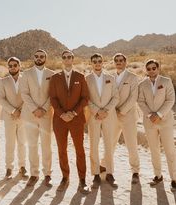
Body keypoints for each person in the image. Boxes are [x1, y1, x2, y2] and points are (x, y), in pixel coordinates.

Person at [49, 50, 89, 194]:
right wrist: (61, 114)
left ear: (73, 59)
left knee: (80, 149)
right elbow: (52, 98)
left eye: (69, 57)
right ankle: (65, 178)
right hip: (60, 120)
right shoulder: (55, 78)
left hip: (76, 119)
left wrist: (73, 113)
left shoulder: (80, 77)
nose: (67, 59)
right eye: (64, 57)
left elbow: (85, 98)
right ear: (62, 60)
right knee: (62, 149)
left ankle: (82, 180)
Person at [138, 59, 176, 189]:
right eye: (148, 69)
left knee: (170, 150)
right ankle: (158, 176)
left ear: (158, 69)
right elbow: (141, 101)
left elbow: (170, 99)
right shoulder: (142, 84)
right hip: (149, 122)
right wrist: (150, 115)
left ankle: (174, 178)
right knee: (154, 150)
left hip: (165, 121)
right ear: (146, 70)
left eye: (153, 68)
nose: (151, 71)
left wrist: (159, 114)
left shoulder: (166, 81)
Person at [101, 53, 140, 184]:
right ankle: (104, 166)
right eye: (116, 60)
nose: (118, 62)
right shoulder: (110, 77)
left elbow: (133, 97)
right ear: (114, 62)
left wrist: (121, 110)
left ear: (125, 62)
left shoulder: (133, 77)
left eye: (121, 60)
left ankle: (135, 172)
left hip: (128, 115)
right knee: (110, 143)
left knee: (131, 144)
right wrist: (111, 110)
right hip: (112, 116)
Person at [20, 49, 54, 187]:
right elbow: (24, 93)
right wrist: (35, 109)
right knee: (32, 145)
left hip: (46, 115)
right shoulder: (26, 74)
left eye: (42, 56)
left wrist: (44, 109)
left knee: (46, 146)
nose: (39, 58)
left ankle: (47, 174)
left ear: (45, 58)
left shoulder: (51, 74)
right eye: (37, 56)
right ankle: (34, 174)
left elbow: (53, 94)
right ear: (33, 57)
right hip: (30, 114)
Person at [86, 53, 118, 189]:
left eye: (99, 61)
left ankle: (110, 173)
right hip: (94, 117)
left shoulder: (110, 78)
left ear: (103, 62)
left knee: (109, 145)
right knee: (93, 144)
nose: (97, 63)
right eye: (94, 61)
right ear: (91, 63)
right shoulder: (86, 79)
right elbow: (85, 98)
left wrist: (106, 111)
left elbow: (116, 97)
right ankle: (96, 174)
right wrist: (97, 111)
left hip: (109, 116)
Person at [0, 57, 27, 179]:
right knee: (10, 143)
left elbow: (28, 96)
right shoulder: (3, 81)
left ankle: (22, 166)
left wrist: (20, 111)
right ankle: (9, 168)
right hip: (9, 116)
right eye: (10, 65)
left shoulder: (25, 79)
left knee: (22, 143)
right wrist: (13, 111)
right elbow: (1, 99)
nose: (12, 67)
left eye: (15, 65)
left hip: (23, 116)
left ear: (19, 66)